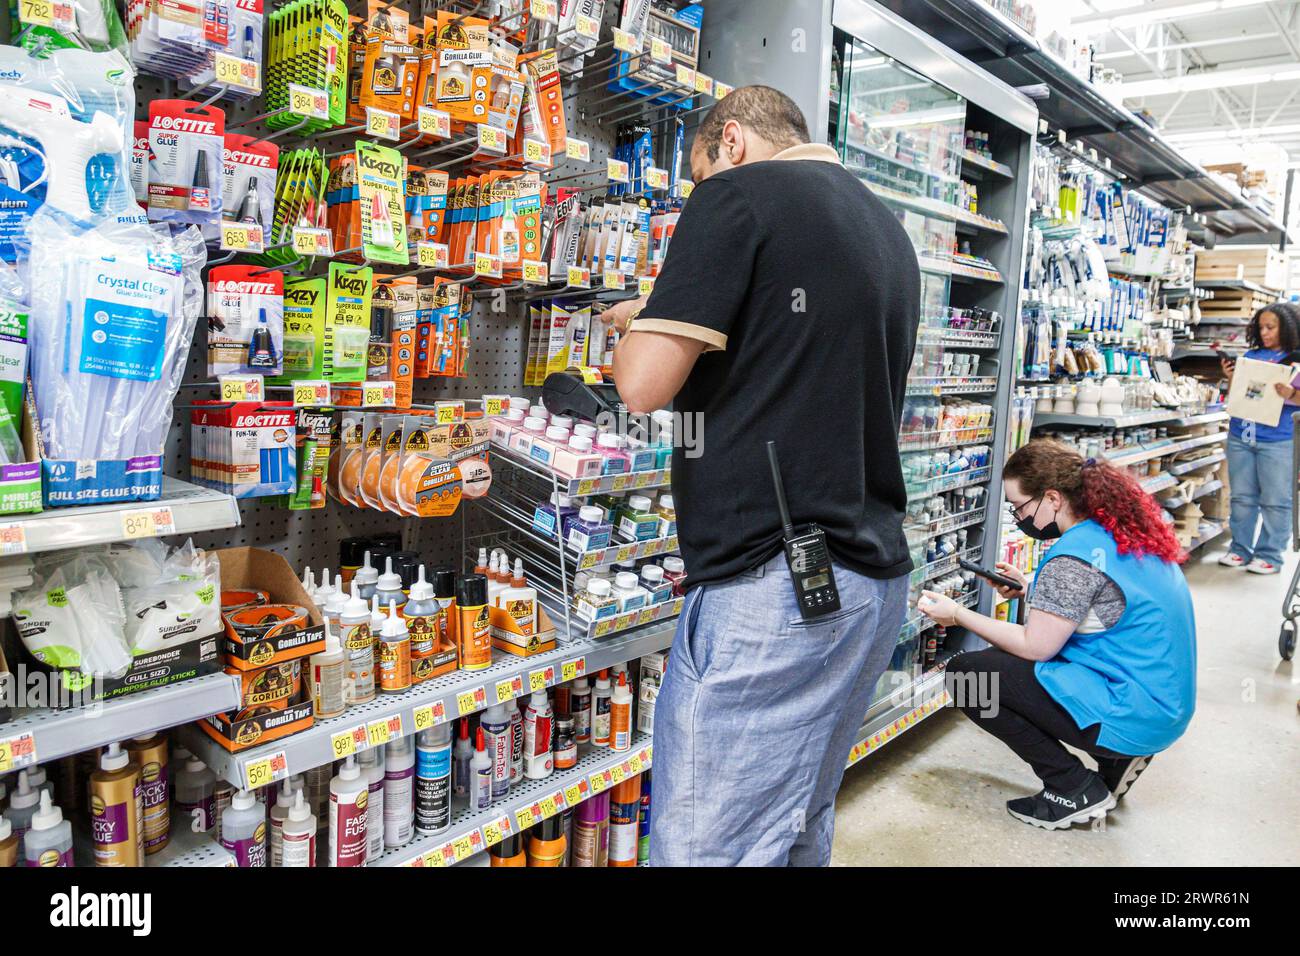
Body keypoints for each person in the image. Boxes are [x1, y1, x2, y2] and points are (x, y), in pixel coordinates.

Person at [604, 85, 920, 866]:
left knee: (706, 845)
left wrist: (636, 326)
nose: (702, 194)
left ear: (732, 141)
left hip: (776, 589)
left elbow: (642, 386)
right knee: (793, 826)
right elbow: (791, 356)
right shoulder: (886, 228)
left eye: (701, 174)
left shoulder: (738, 197)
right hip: (868, 585)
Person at [917, 439, 1196, 830]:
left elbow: (1037, 647)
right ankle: (1117, 761)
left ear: (1052, 498)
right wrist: (1032, 589)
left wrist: (959, 615)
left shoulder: (1071, 556)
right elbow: (1107, 603)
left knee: (969, 675)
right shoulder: (1119, 533)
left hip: (1130, 712)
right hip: (1162, 706)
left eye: (1019, 506)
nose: (1018, 516)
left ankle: (1073, 787)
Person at [1218, 302, 1300, 575]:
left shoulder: (1295, 359)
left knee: (1276, 500)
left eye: (1270, 327)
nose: (1264, 332)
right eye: (1261, 327)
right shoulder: (1252, 356)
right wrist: (1231, 378)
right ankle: (1239, 549)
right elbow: (1241, 396)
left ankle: (1270, 555)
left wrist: (1290, 394)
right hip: (1242, 434)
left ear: (1286, 327)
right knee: (1241, 497)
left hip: (1278, 439)